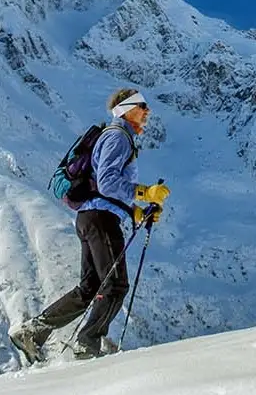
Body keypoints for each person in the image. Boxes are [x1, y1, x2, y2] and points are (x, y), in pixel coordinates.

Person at [9, 88, 170, 362]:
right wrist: (144, 192)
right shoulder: (118, 137)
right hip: (101, 220)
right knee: (116, 286)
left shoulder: (117, 137)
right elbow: (107, 183)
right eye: (142, 106)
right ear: (127, 109)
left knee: (90, 287)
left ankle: (33, 332)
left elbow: (104, 188)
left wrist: (136, 212)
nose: (147, 112)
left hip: (91, 218)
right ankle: (87, 346)